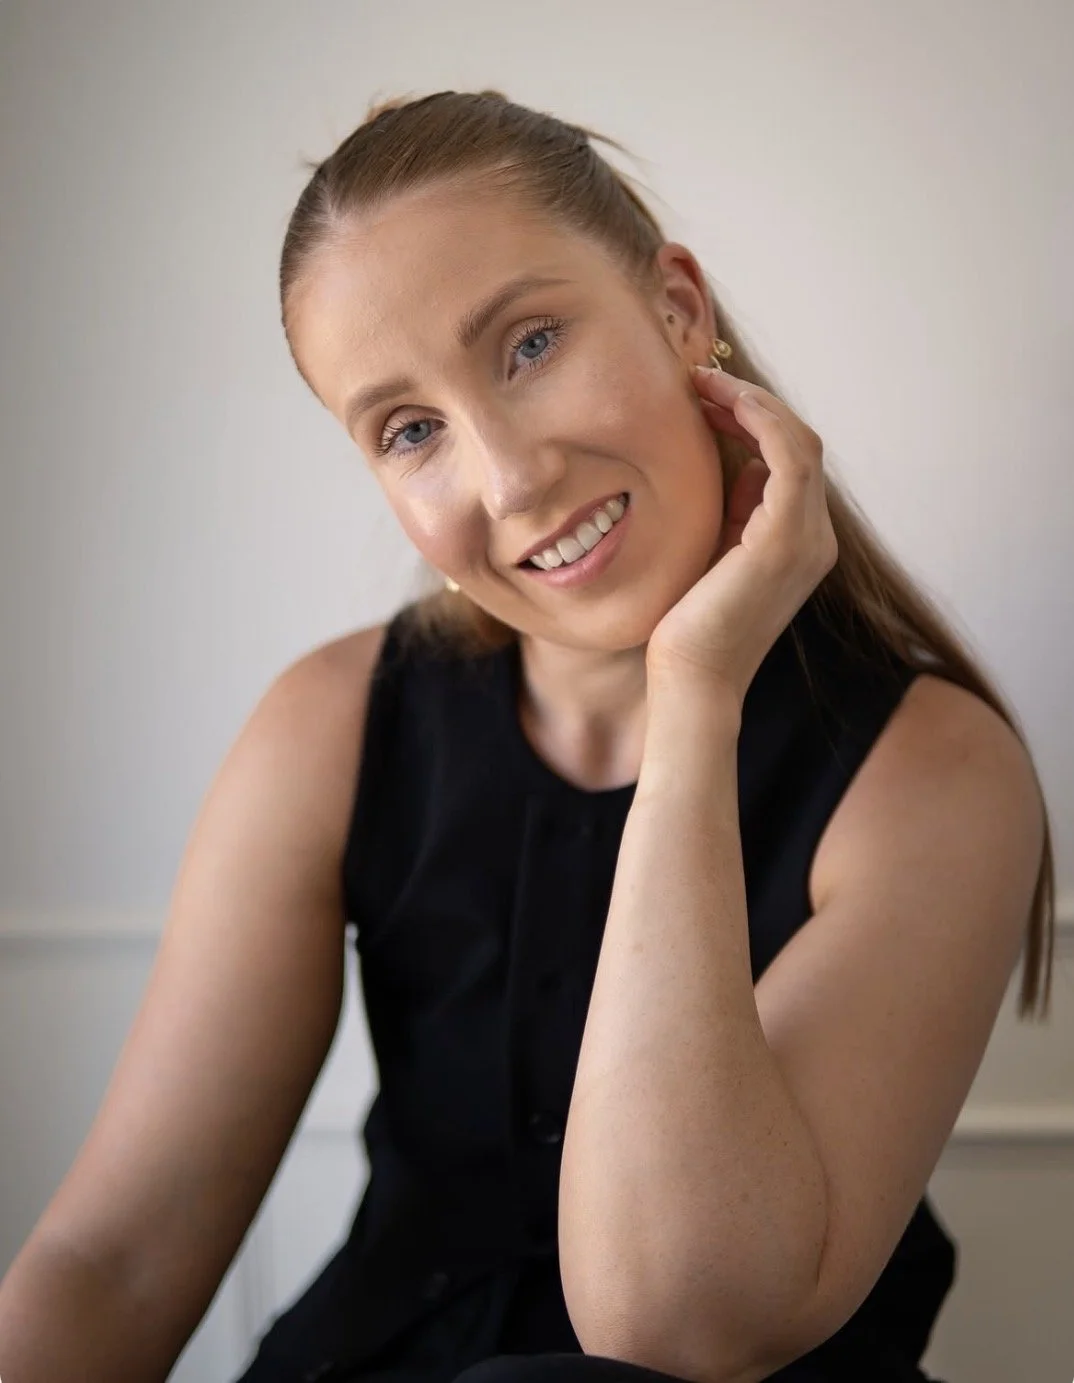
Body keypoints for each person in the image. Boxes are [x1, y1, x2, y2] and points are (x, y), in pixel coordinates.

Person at [0, 88, 1054, 1383]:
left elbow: (676, 1320)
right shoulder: (329, 723)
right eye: (409, 429)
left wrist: (691, 697)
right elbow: (114, 1256)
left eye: (527, 343)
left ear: (676, 309)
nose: (505, 476)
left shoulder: (931, 771)